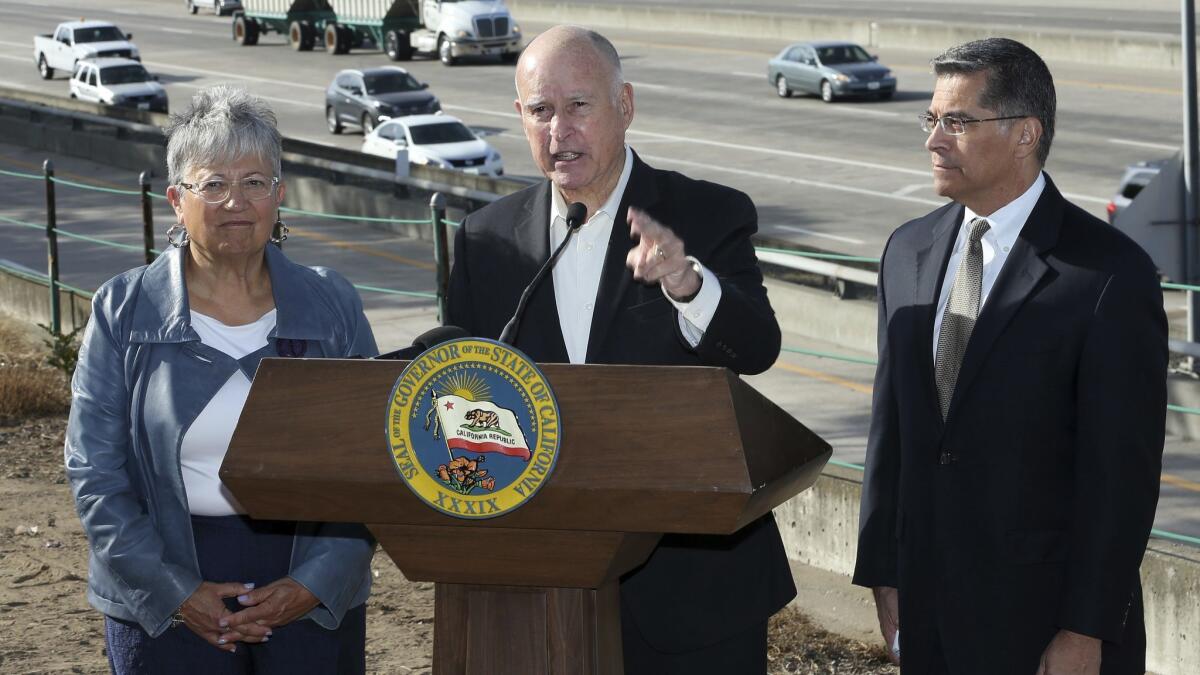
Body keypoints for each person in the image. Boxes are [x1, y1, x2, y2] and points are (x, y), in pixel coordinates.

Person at [446, 25, 791, 673]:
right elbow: (462, 383)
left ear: (625, 104)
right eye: (541, 111)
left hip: (692, 589)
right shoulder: (484, 238)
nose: (559, 131)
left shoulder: (705, 214)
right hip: (537, 589)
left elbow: (755, 346)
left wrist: (688, 284)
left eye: (579, 106)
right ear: (519, 117)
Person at [852, 38, 1166, 674]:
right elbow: (892, 434)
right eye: (932, 119)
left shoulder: (1108, 273)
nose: (935, 140)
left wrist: (1085, 630)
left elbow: (1120, 480)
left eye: (959, 122)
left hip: (1046, 629)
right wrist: (884, 575)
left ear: (1026, 134)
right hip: (928, 616)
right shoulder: (905, 251)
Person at [64, 86, 377, 674]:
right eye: (214, 184)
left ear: (279, 197)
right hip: (162, 582)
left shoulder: (332, 303)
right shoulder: (123, 310)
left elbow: (369, 464)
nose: (237, 201)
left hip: (306, 576)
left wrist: (314, 583)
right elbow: (95, 473)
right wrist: (176, 591)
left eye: (255, 183)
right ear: (176, 200)